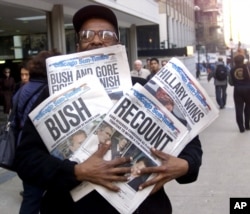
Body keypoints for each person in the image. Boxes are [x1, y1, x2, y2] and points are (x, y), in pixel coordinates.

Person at [14, 5, 202, 214]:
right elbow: (26, 159)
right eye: (86, 35)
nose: (96, 40)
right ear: (78, 46)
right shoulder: (52, 94)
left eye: (106, 35)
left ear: (118, 44)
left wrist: (184, 165)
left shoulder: (141, 87)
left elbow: (190, 142)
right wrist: (76, 171)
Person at [13, 50, 61, 214]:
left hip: (23, 144)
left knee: (30, 197)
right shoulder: (47, 90)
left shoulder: (23, 88)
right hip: (41, 149)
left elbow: (18, 115)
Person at [229, 54, 250, 133]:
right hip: (248, 89)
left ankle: (241, 127)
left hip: (237, 90)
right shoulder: (247, 67)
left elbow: (230, 83)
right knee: (248, 107)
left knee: (238, 108)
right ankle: (247, 125)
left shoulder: (232, 69)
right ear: (243, 60)